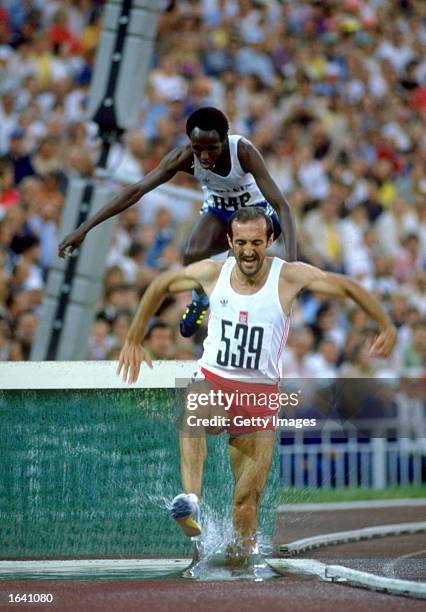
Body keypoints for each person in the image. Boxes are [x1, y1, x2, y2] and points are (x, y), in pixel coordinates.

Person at [117, 207, 396, 562]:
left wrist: (385, 324)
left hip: (260, 398)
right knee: (196, 406)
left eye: (257, 243)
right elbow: (159, 285)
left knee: (246, 505)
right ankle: (191, 501)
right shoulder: (212, 273)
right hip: (216, 381)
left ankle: (239, 565)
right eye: (242, 243)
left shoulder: (289, 276)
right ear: (231, 242)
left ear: (270, 241)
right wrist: (133, 339)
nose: (249, 251)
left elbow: (347, 286)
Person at [58, 107, 297, 338]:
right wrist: (84, 228)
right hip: (221, 211)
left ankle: (240, 320)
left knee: (234, 271)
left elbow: (282, 205)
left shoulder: (243, 152)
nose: (204, 156)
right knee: (192, 254)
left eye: (211, 149)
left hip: (258, 215)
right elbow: (137, 190)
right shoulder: (184, 157)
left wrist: (293, 264)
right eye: (198, 149)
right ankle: (200, 302)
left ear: (224, 140)